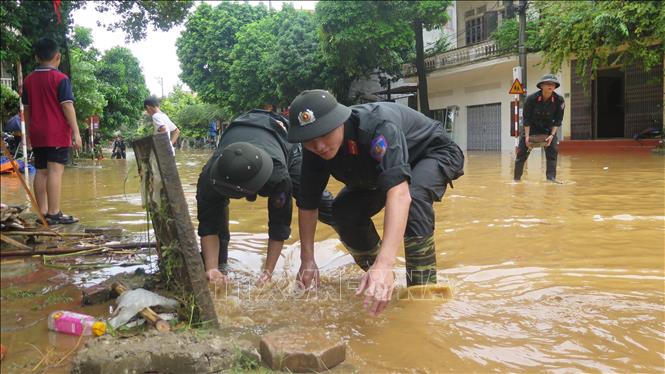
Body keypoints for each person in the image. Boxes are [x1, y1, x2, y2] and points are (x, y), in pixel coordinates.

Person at [287, 90, 465, 316]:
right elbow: (308, 203)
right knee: (343, 211)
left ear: (339, 121)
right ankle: (378, 282)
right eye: (310, 141)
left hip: (429, 154)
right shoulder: (314, 150)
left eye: (325, 134)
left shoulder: (377, 127)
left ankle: (422, 292)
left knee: (415, 196)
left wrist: (386, 263)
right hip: (378, 175)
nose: (319, 146)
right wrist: (307, 259)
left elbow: (400, 194)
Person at [196, 108, 334, 284]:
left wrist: (267, 273)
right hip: (242, 127)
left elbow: (279, 225)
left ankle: (362, 250)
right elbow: (208, 224)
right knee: (215, 259)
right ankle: (219, 268)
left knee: (317, 200)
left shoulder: (278, 176)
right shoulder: (210, 178)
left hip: (282, 139)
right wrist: (211, 269)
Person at [21, 37, 82, 225]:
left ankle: (43, 213)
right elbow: (67, 106)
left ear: (37, 57)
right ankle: (54, 214)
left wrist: (30, 134)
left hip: (37, 132)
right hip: (56, 133)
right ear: (58, 57)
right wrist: (77, 133)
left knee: (41, 171)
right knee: (55, 171)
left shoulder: (28, 80)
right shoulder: (61, 79)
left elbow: (28, 109)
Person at [514, 74, 565, 183]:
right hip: (531, 129)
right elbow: (526, 119)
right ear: (541, 86)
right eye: (547, 84)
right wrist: (527, 137)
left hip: (549, 130)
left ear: (555, 87)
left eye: (553, 84)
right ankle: (517, 180)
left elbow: (558, 120)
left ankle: (551, 178)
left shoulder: (559, 100)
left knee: (552, 154)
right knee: (521, 155)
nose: (550, 86)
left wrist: (552, 135)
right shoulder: (531, 99)